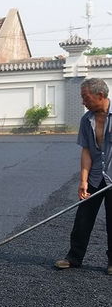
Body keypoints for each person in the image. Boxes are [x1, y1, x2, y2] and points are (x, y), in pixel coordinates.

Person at [55, 78, 112, 275]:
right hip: (96, 177)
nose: (83, 102)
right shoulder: (86, 119)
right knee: (82, 218)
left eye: (85, 98)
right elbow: (87, 151)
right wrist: (83, 180)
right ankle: (74, 258)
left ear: (100, 95)